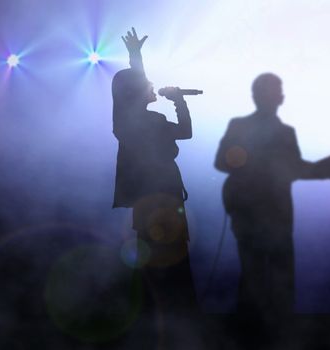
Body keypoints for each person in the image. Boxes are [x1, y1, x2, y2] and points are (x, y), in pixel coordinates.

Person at [214, 73, 330, 324]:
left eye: (278, 90)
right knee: (256, 274)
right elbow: (221, 162)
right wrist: (255, 165)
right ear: (259, 96)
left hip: (276, 215)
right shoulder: (239, 126)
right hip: (251, 213)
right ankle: (253, 332)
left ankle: (275, 333)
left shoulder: (286, 132)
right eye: (274, 90)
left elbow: (295, 169)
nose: (278, 95)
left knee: (277, 276)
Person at [112, 28, 197, 317]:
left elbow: (185, 132)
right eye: (146, 84)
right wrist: (136, 56)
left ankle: (176, 312)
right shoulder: (128, 122)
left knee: (173, 253)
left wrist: (179, 101)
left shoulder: (155, 120)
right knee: (155, 254)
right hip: (152, 196)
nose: (152, 86)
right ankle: (155, 314)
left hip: (168, 194)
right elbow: (133, 87)